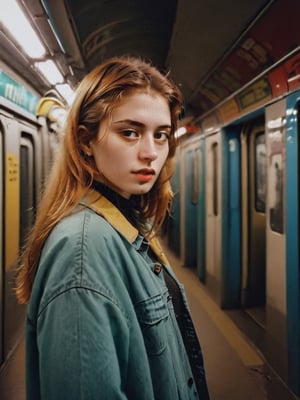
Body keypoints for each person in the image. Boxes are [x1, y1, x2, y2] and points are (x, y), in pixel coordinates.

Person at [16, 56, 210, 400]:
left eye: (161, 135)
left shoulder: (129, 221)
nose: (151, 152)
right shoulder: (82, 252)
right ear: (85, 141)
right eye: (130, 133)